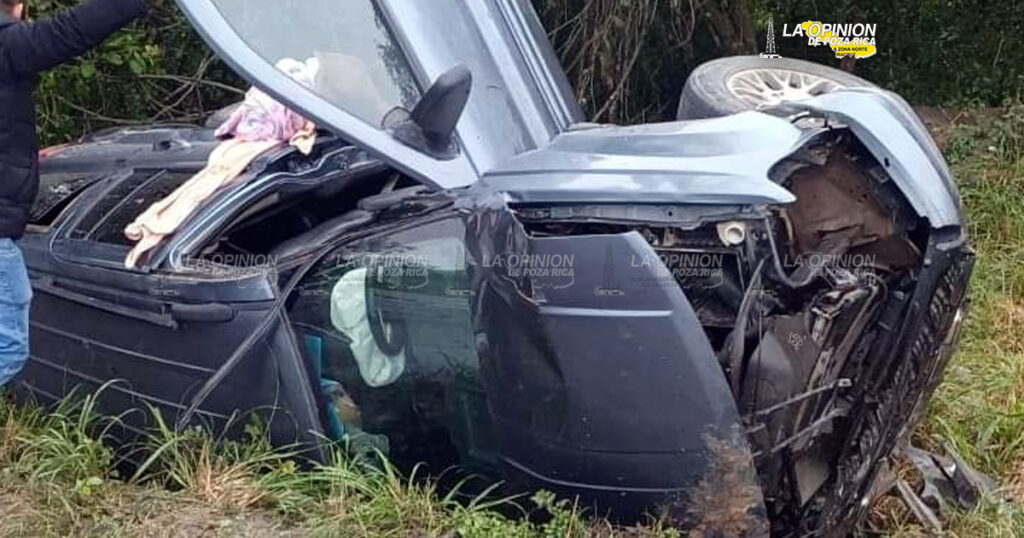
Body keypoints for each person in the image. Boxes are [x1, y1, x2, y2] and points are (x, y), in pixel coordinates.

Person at [0, 0, 149, 389]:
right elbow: (68, 31)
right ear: (19, 7)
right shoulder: (5, 43)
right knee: (7, 348)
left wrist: (27, 153)